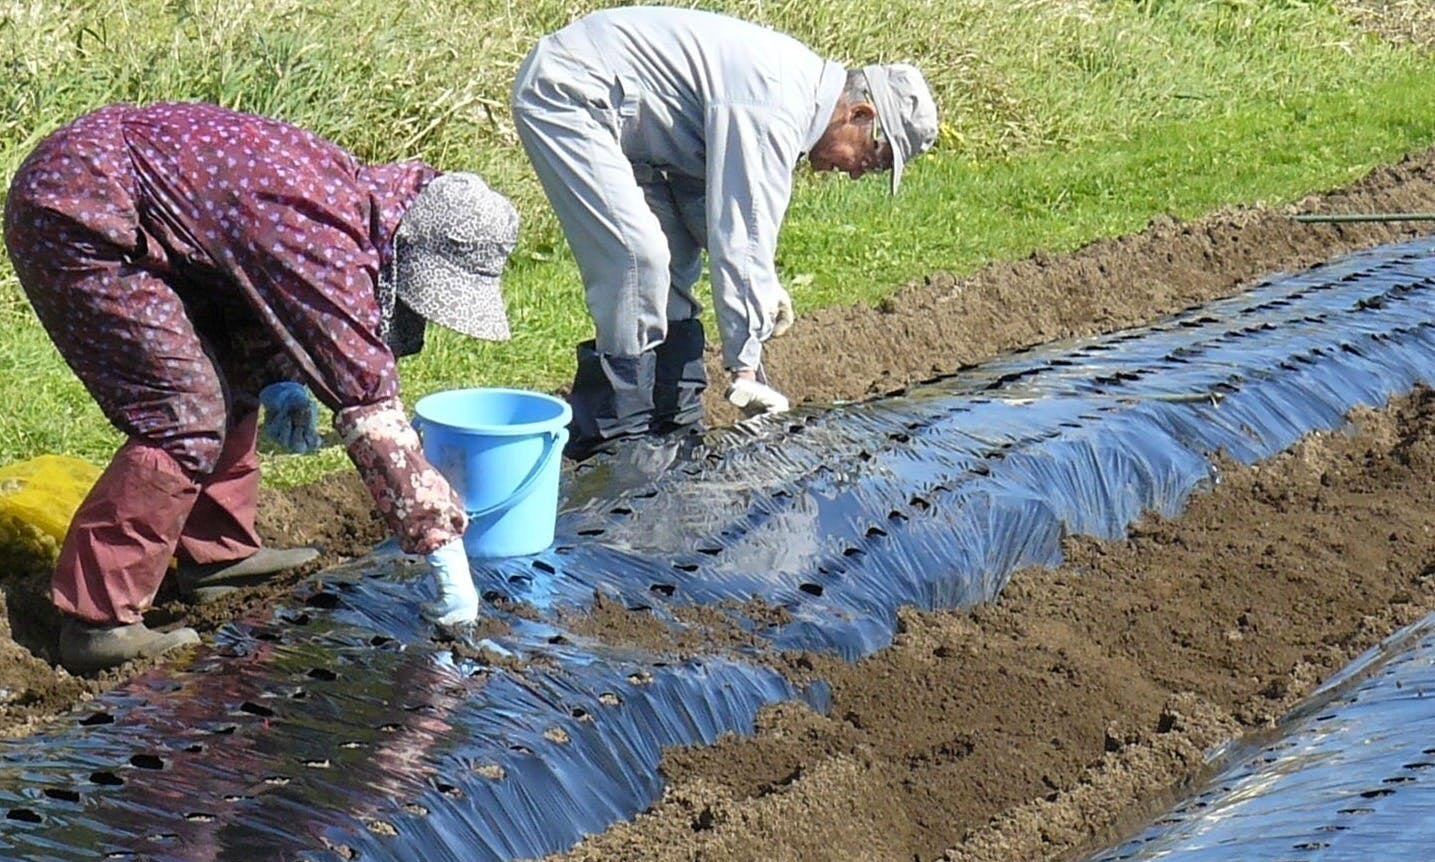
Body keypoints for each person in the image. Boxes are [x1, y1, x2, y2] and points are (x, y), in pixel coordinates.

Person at [3, 102, 519, 674]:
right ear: (411, 251)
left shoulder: (350, 199)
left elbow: (252, 295)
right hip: (80, 211)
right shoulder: (320, 232)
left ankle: (217, 555)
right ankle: (97, 622)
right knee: (183, 415)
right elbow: (369, 404)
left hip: (135, 202)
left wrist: (278, 381)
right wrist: (442, 549)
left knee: (229, 374)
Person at [511, 6, 938, 460]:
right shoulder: (775, 104)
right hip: (571, 92)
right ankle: (617, 445)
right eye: (873, 159)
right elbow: (743, 235)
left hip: (633, 126)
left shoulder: (792, 96)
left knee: (674, 261)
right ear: (859, 112)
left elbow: (710, 210)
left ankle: (673, 430)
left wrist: (762, 283)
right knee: (638, 260)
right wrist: (747, 371)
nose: (857, 174)